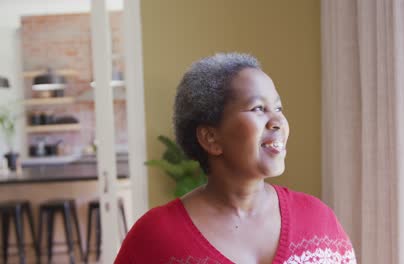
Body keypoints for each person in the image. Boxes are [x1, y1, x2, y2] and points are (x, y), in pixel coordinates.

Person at [115, 53, 356, 264]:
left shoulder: (319, 219)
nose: (278, 121)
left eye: (279, 109)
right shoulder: (155, 236)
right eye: (258, 108)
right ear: (211, 138)